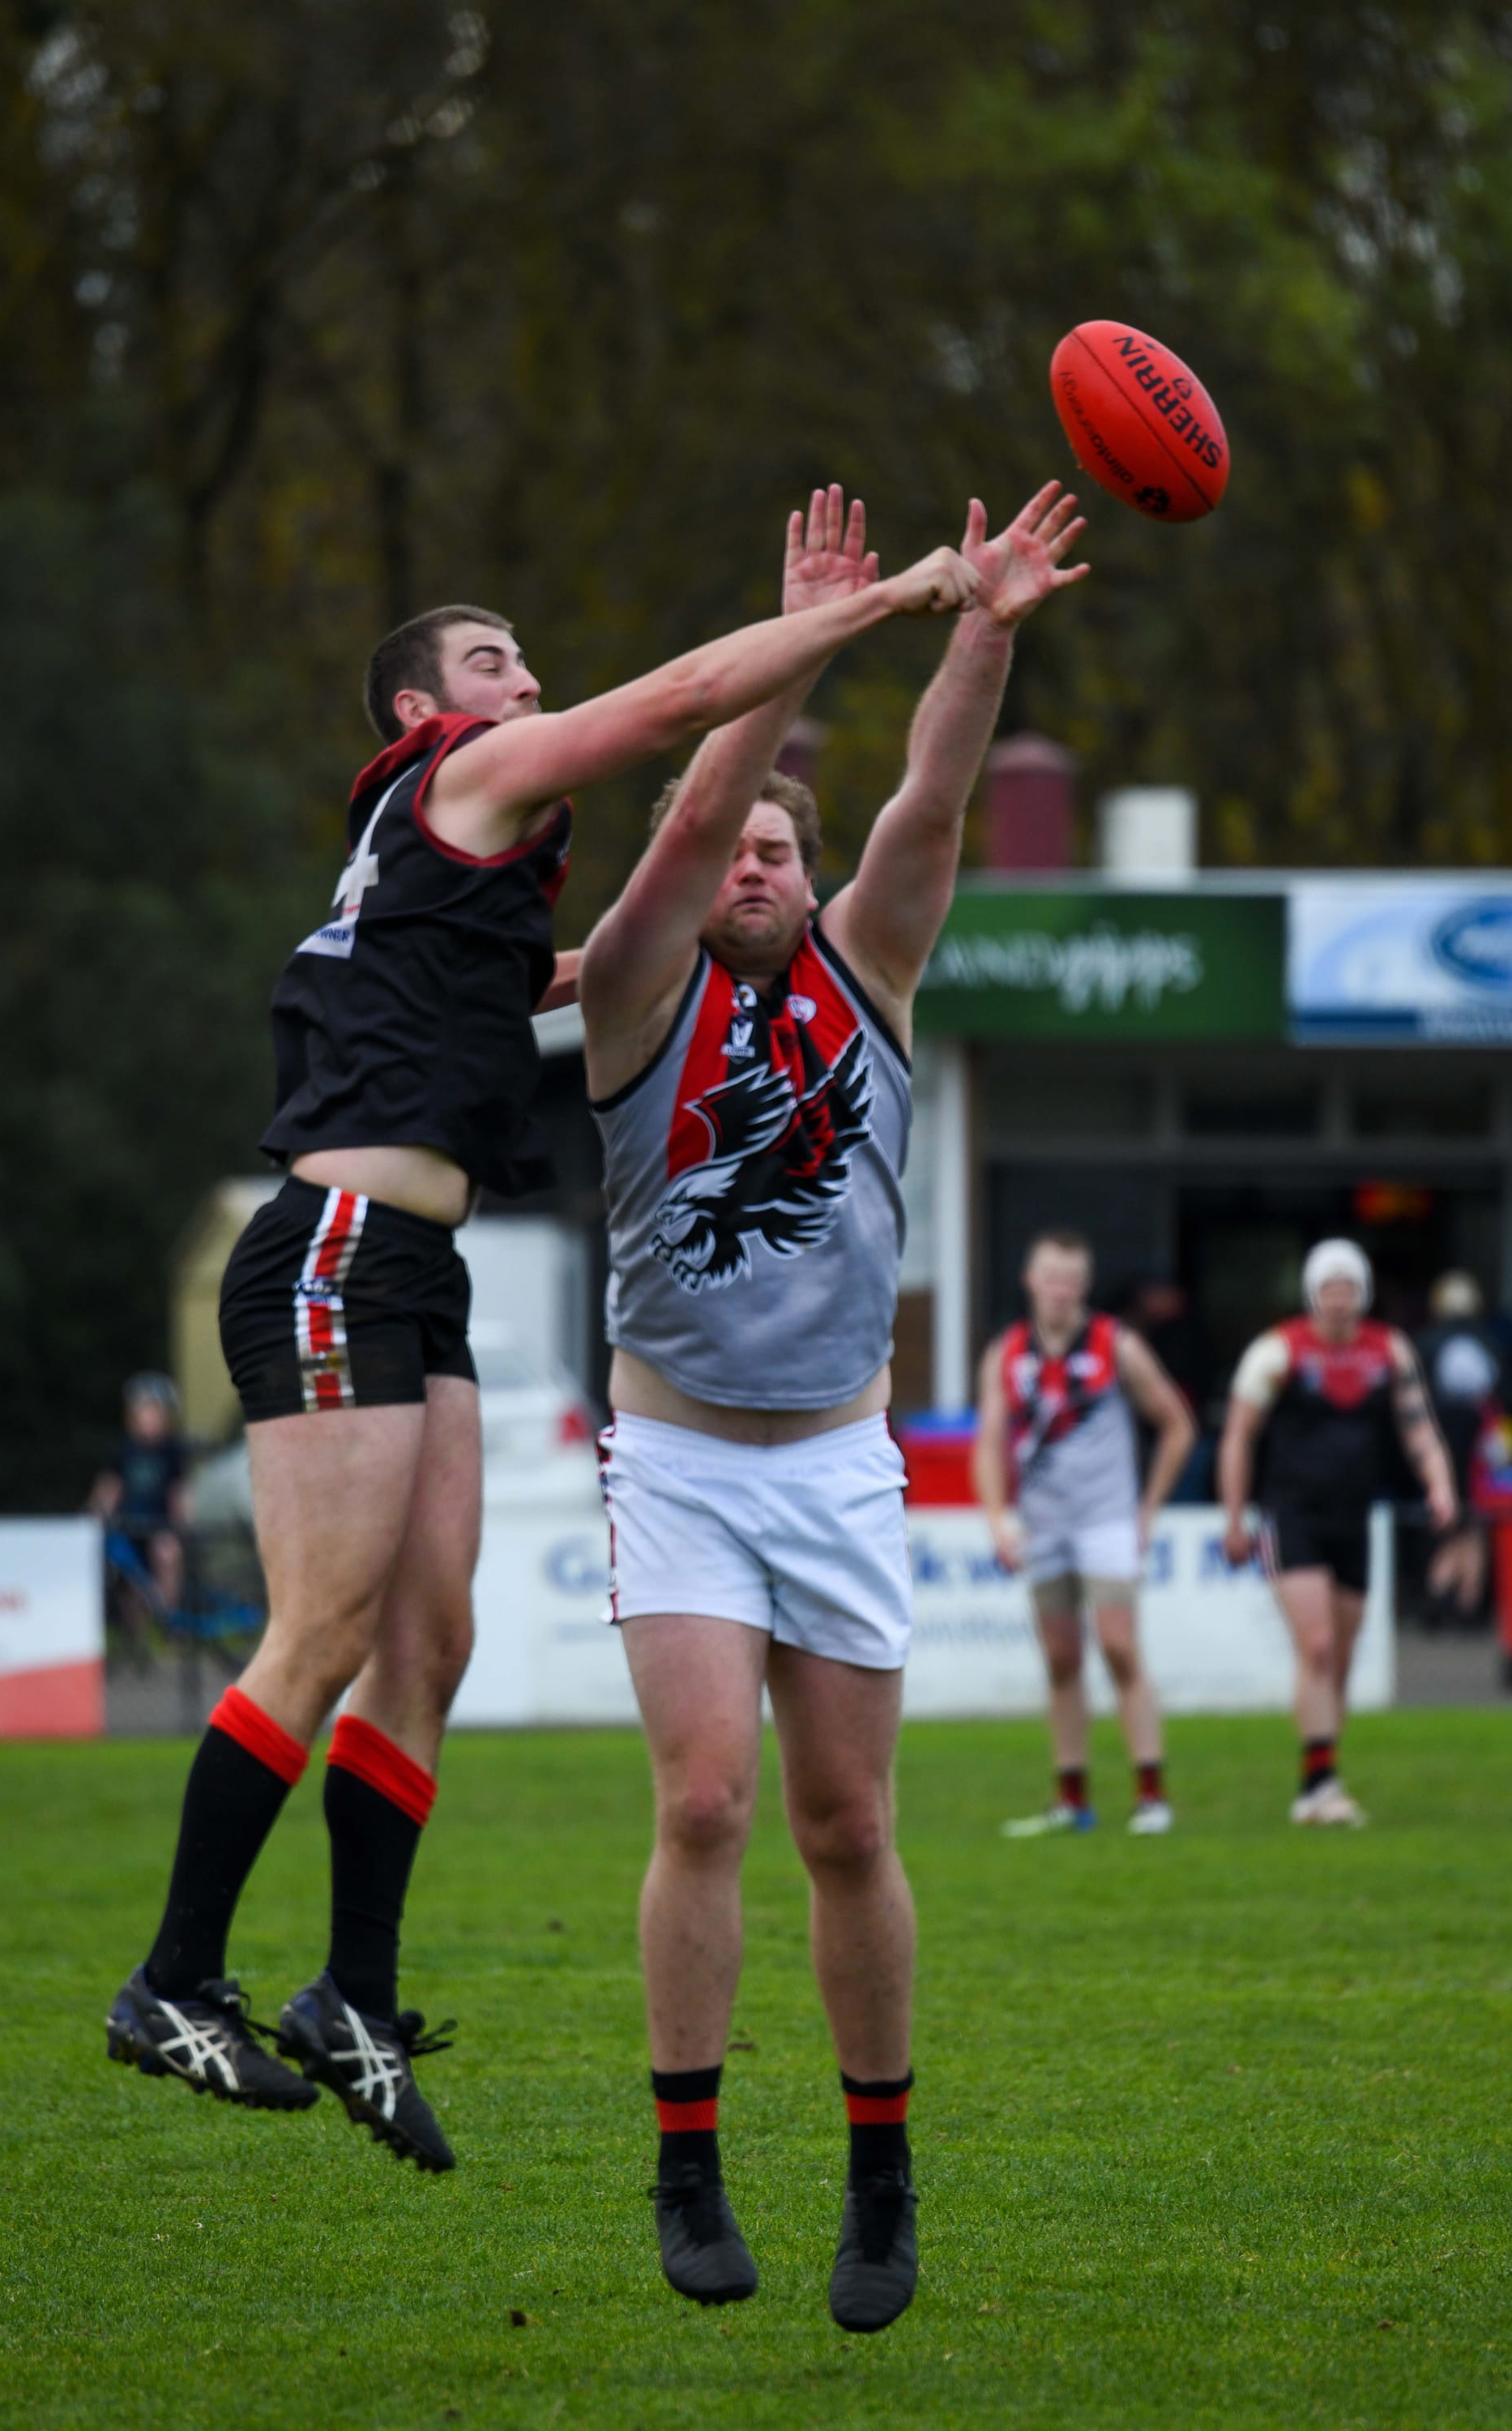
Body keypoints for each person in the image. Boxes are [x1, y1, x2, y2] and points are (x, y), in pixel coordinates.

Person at [105, 506, 985, 2168]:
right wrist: (865, 609)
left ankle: (351, 1999)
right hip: (338, 1243)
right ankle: (173, 1980)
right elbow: (679, 719)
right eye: (493, 656)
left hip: (413, 1264)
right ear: (417, 710)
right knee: (323, 1633)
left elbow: (540, 972)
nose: (527, 676)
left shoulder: (463, 876)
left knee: (427, 1646)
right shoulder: (460, 776)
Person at [580, 481, 1087, 2330]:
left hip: (843, 1460)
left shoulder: (866, 971)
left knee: (847, 1828)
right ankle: (687, 2158)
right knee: (703, 1797)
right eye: (735, 849)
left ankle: (879, 2173)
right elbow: (699, 801)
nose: (759, 866)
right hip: (684, 1460)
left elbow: (928, 804)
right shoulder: (633, 998)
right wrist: (797, 637)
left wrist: (978, 622)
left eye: (784, 851)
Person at [1218, 1238, 1456, 1826]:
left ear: (1364, 1293)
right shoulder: (1279, 1352)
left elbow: (1418, 1426)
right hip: (1292, 1515)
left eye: (1349, 1287)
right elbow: (1238, 1435)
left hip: (1355, 1517)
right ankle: (1319, 1784)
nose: (1340, 1299)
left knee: (1341, 1658)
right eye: (1329, 1288)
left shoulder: (1387, 1352)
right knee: (1318, 1645)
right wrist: (1233, 1515)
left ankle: (1321, 1775)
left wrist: (1441, 1483)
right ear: (1312, 1293)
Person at [975, 1231, 1195, 1839]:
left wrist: (1146, 1511)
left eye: (1071, 1279)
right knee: (1061, 1658)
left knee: (1120, 1647)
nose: (1060, 1289)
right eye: (1051, 1276)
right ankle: (1071, 1798)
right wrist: (998, 1518)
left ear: (1085, 1286)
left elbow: (1177, 1425)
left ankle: (1151, 1792)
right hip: (1043, 1525)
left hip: (1106, 1521)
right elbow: (989, 1441)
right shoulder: (1007, 1352)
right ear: (1030, 1279)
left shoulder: (1116, 1346)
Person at [1415, 1271, 1501, 1620]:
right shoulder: (1492, 1342)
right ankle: (1466, 1601)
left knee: (1451, 1524)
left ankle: (1442, 1593)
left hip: (1442, 1450)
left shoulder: (1424, 1342)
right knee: (1476, 1526)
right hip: (1484, 1453)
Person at [88, 1374, 192, 1655]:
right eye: (143, 1411)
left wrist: (181, 1525)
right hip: (128, 1528)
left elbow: (177, 1493)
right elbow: (109, 1491)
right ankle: (137, 1640)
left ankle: (168, 1623)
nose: (149, 1418)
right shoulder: (123, 1450)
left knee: (168, 1555)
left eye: (155, 1411)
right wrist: (94, 1519)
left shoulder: (172, 1451)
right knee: (131, 1579)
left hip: (159, 1527)